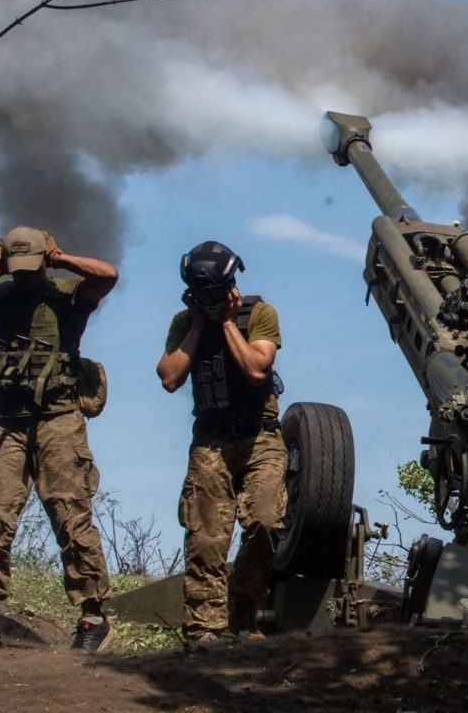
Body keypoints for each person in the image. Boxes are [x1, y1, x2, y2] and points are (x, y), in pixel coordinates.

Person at [0, 225, 118, 652]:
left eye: (30, 267)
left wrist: (62, 258)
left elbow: (108, 275)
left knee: (71, 515)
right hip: (5, 422)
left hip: (59, 419)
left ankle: (93, 618)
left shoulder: (68, 294)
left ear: (44, 262)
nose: (24, 276)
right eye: (16, 269)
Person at [156, 240, 286, 644]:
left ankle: (241, 617)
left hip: (260, 436)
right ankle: (204, 631)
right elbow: (169, 377)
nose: (209, 302)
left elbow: (256, 369)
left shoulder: (259, 314)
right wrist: (198, 326)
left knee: (266, 522)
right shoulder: (184, 323)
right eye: (201, 296)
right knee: (206, 538)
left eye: (215, 294)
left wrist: (228, 323)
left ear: (231, 287)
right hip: (211, 441)